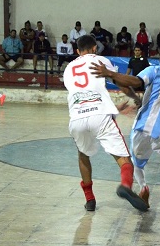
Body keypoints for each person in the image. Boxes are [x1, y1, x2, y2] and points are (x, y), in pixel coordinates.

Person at [90, 44, 160, 207]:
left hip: (142, 127)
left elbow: (135, 82)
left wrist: (110, 73)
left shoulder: (155, 70)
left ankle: (143, 187)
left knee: (136, 164)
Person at [63, 35, 148, 212]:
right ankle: (125, 186)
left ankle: (90, 199)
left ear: (77, 51)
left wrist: (112, 107)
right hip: (100, 116)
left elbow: (83, 92)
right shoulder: (100, 60)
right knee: (124, 159)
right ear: (95, 48)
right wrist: (135, 98)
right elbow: (121, 84)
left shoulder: (69, 68)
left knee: (82, 154)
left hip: (77, 117)